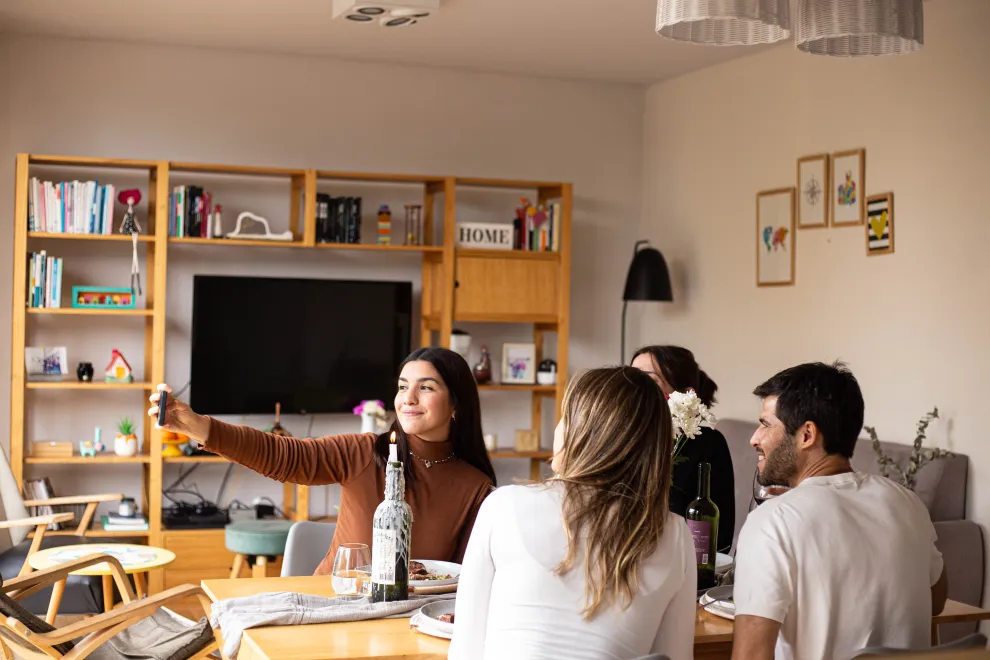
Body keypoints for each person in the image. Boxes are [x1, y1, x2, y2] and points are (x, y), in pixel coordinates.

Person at [147, 346, 496, 575]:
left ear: (456, 406)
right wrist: (198, 426)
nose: (408, 398)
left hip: (408, 628)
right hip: (330, 610)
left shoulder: (476, 489)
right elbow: (284, 455)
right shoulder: (365, 452)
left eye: (427, 388)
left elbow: (465, 583)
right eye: (403, 386)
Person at [449, 366, 697, 660]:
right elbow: (675, 656)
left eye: (565, 417)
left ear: (584, 432)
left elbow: (466, 648)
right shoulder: (676, 534)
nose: (558, 429)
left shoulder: (503, 506)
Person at [732, 361, 948, 660]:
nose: (755, 438)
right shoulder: (906, 502)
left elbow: (751, 656)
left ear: (807, 434)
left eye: (767, 425)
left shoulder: (772, 522)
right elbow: (936, 601)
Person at [631, 345, 735, 552]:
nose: (633, 388)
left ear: (686, 395)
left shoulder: (708, 444)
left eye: (648, 379)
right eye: (631, 377)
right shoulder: (620, 440)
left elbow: (720, 536)